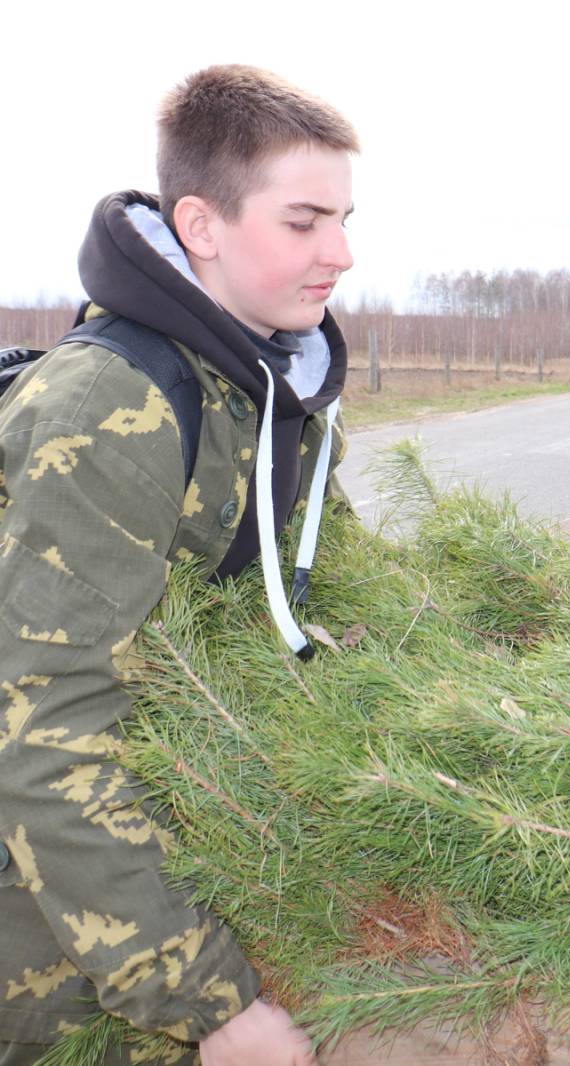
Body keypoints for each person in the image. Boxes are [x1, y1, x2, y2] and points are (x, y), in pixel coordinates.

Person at [0, 65, 357, 1065]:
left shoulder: (267, 389)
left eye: (344, 218)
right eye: (305, 221)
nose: (342, 252)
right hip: (50, 929)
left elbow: (314, 599)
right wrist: (208, 1002)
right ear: (201, 225)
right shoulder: (113, 409)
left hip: (159, 850)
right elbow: (43, 731)